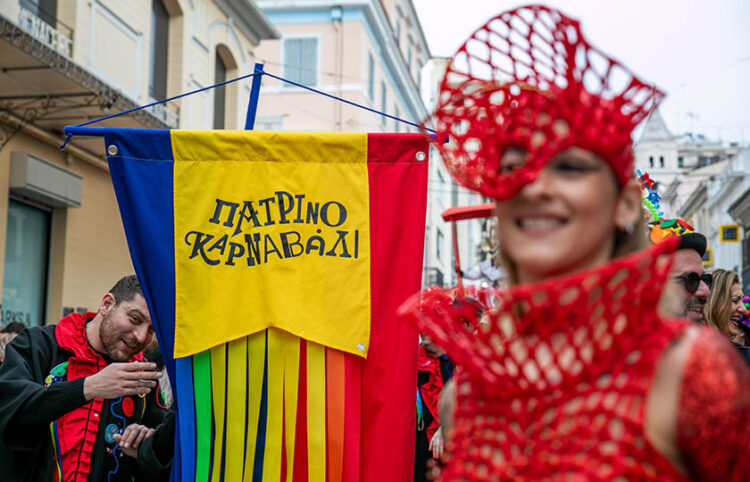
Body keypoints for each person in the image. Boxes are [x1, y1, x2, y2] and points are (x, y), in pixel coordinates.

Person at [401, 5, 749, 480]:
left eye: (569, 166)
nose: (536, 187)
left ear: (625, 204)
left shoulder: (694, 376)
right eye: (514, 168)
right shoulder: (471, 393)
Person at [0, 275, 173, 481]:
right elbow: (10, 413)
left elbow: (162, 455)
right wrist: (88, 387)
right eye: (135, 319)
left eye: (152, 329)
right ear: (107, 304)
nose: (141, 336)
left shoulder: (144, 376)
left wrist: (145, 441)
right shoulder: (36, 345)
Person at [415, 333, 453, 482]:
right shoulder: (412, 359)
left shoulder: (458, 362)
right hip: (419, 451)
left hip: (450, 449)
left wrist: (444, 427)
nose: (422, 330)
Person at [705, 268, 750, 362]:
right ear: (714, 303)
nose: (743, 309)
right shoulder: (686, 352)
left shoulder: (742, 358)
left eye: (741, 300)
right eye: (735, 300)